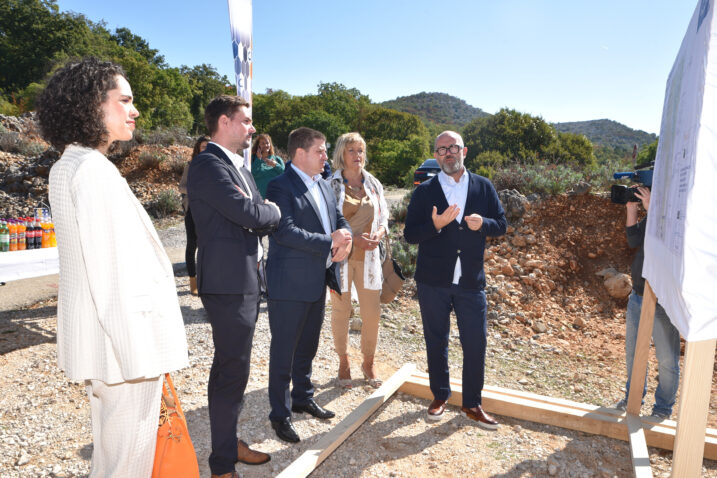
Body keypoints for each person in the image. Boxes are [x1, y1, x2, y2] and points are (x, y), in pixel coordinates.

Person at [37, 57, 189, 477]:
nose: (134, 110)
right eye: (124, 100)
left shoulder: (67, 164)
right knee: (129, 463)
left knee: (111, 458)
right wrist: (139, 354)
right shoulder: (94, 173)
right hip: (124, 353)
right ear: (91, 106)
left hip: (103, 348)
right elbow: (112, 275)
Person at [187, 95, 280, 478]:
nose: (252, 128)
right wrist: (270, 211)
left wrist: (261, 211)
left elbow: (254, 208)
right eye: (246, 121)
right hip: (227, 284)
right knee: (231, 370)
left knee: (232, 368)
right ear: (224, 122)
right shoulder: (208, 165)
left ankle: (228, 443)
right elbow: (253, 212)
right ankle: (222, 464)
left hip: (243, 279)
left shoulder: (236, 166)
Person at [404, 130, 506, 429]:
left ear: (464, 151)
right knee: (436, 340)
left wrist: (483, 224)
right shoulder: (424, 191)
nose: (448, 153)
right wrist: (434, 225)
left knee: (475, 343)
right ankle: (440, 396)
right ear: (436, 155)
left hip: (471, 281)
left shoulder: (483, 187)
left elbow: (501, 224)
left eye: (453, 148)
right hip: (432, 280)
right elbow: (410, 234)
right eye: (441, 149)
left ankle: (473, 404)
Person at [265, 127, 352, 443]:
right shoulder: (280, 186)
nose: (326, 156)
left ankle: (302, 396)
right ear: (300, 153)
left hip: (317, 279)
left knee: (308, 346)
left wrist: (347, 237)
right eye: (320, 150)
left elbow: (338, 221)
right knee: (284, 351)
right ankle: (280, 413)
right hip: (288, 283)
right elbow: (284, 232)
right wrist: (330, 242)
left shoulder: (326, 186)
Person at [613, 186, 681, 419]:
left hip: (662, 300)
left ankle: (662, 410)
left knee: (666, 358)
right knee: (633, 355)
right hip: (639, 296)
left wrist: (653, 211)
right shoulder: (654, 216)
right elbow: (633, 241)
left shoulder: (675, 218)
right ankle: (632, 399)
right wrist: (632, 209)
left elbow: (664, 244)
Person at [328, 132, 389, 389]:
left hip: (369, 259)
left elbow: (384, 217)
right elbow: (326, 222)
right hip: (340, 258)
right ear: (341, 153)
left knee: (372, 314)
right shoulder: (330, 184)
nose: (357, 156)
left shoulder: (373, 183)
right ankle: (343, 361)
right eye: (352, 150)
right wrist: (354, 239)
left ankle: (368, 361)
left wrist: (379, 234)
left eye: (361, 151)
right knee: (341, 312)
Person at [179, 135, 210, 295]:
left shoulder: (214, 166)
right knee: (192, 244)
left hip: (209, 210)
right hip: (192, 209)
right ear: (198, 148)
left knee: (208, 245)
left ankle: (207, 279)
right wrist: (195, 190)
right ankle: (193, 280)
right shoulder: (190, 165)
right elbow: (182, 187)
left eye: (208, 146)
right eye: (203, 146)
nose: (205, 149)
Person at [250, 133, 285, 198]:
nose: (266, 145)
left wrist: (275, 165)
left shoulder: (277, 159)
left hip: (276, 197)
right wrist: (258, 159)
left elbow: (285, 175)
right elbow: (251, 174)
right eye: (263, 143)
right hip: (259, 199)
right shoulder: (252, 159)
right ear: (258, 146)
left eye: (267, 143)